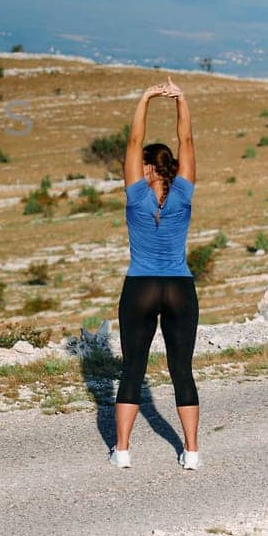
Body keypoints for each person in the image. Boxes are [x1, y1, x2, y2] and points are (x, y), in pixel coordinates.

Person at [109, 77, 201, 470]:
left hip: (141, 285)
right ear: (174, 168)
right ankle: (192, 452)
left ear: (145, 166)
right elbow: (188, 140)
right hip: (179, 286)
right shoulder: (183, 191)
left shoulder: (136, 193)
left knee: (133, 369)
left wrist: (145, 97)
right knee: (182, 371)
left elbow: (132, 140)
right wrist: (180, 99)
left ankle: (123, 451)